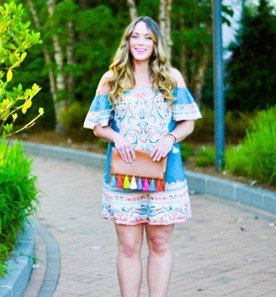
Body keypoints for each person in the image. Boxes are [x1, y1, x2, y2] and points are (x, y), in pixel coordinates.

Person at [82, 16, 201, 297]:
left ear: (156, 43)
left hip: (165, 174)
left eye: (147, 37)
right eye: (135, 36)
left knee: (160, 243)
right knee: (128, 245)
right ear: (127, 41)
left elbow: (188, 122)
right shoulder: (112, 79)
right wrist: (116, 136)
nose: (140, 42)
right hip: (124, 173)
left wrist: (170, 137)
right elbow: (98, 126)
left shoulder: (171, 78)